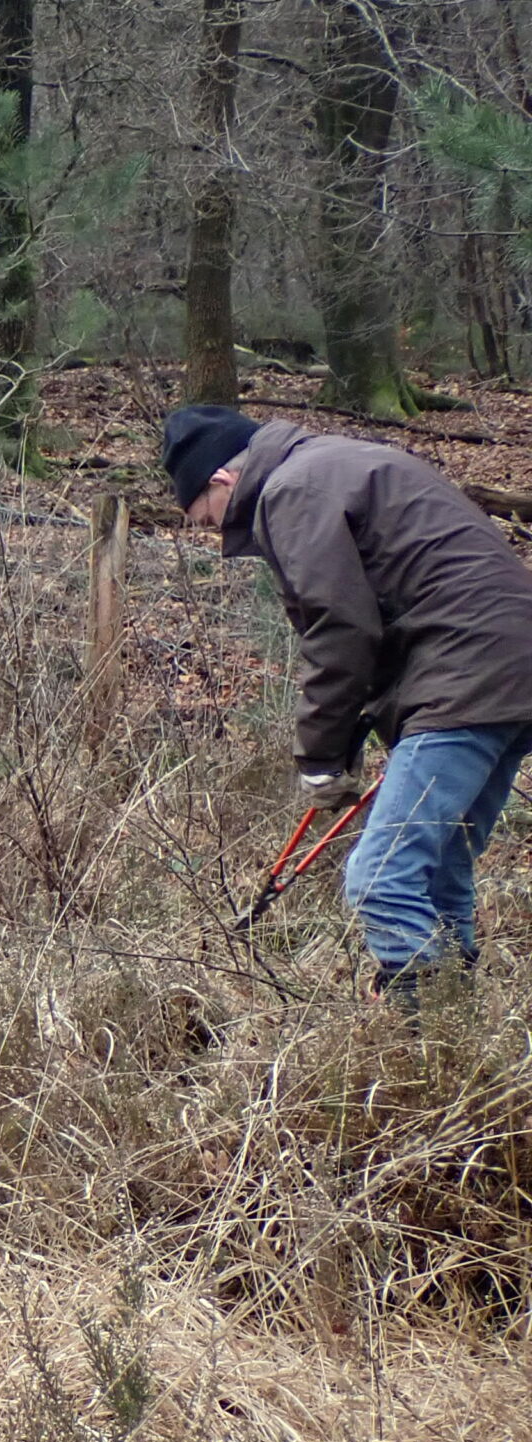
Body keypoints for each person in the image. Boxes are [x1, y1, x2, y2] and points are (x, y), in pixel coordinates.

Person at [165, 404, 532, 1008]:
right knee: (439, 872)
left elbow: (340, 630)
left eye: (209, 518)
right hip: (507, 670)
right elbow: (393, 602)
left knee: (380, 881)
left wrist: (318, 756)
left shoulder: (291, 490)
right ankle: (461, 1035)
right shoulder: (340, 460)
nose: (216, 533)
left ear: (222, 480)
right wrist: (358, 728)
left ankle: (428, 1045)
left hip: (468, 675)